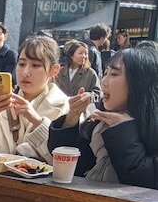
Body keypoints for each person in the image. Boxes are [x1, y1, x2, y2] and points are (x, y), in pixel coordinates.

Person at [49, 47, 158, 189]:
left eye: (114, 74)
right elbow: (68, 164)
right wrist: (72, 117)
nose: (104, 82)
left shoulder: (149, 127)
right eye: (105, 73)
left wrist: (124, 130)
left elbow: (142, 181)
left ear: (139, 82)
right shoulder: (98, 122)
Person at [0, 35, 68, 164]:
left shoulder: (65, 107)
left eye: (36, 65)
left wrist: (36, 121)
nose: (25, 72)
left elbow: (65, 161)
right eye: (22, 64)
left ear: (54, 70)